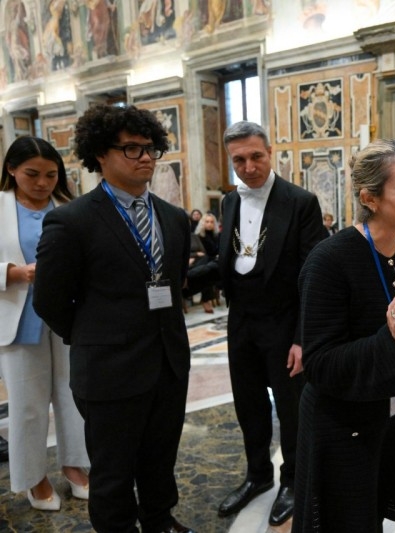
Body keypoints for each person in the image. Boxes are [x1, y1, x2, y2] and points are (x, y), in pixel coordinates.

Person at [33, 104, 196, 533]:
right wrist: (94, 336)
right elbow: (49, 301)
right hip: (109, 370)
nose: (145, 157)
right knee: (112, 473)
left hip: (168, 362)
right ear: (100, 155)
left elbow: (172, 283)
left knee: (160, 459)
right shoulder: (71, 221)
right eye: (131, 149)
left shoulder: (174, 218)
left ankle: (159, 520)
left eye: (150, 148)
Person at [293, 139, 395, 532]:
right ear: (370, 198)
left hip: (385, 415)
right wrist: (391, 339)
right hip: (339, 424)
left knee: (372, 516)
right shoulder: (329, 261)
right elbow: (319, 365)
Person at [216, 121, 328, 525]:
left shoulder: (300, 202)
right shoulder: (229, 202)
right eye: (239, 160)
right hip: (241, 321)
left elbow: (313, 275)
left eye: (255, 157)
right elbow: (229, 259)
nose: (248, 167)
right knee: (248, 404)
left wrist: (302, 338)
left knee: (291, 408)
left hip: (284, 322)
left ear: (270, 153)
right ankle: (258, 474)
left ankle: (294, 481)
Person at [0, 136, 90, 511]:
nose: (42, 183)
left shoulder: (70, 206)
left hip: (69, 316)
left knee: (73, 395)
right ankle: (34, 477)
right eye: (32, 174)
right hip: (20, 318)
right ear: (11, 170)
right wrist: (14, 273)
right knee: (27, 404)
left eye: (51, 175)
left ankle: (75, 464)